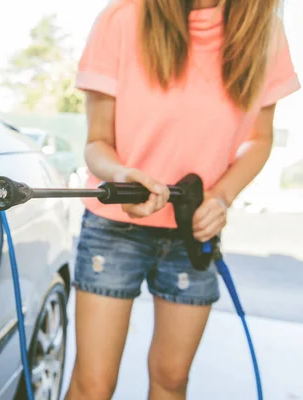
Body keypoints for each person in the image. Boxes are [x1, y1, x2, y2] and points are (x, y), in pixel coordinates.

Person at [66, 0, 299, 399]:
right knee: (93, 386)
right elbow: (97, 143)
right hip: (113, 231)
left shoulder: (266, 33)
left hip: (193, 235)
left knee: (172, 380)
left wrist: (222, 197)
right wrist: (123, 176)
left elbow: (259, 139)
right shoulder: (122, 19)